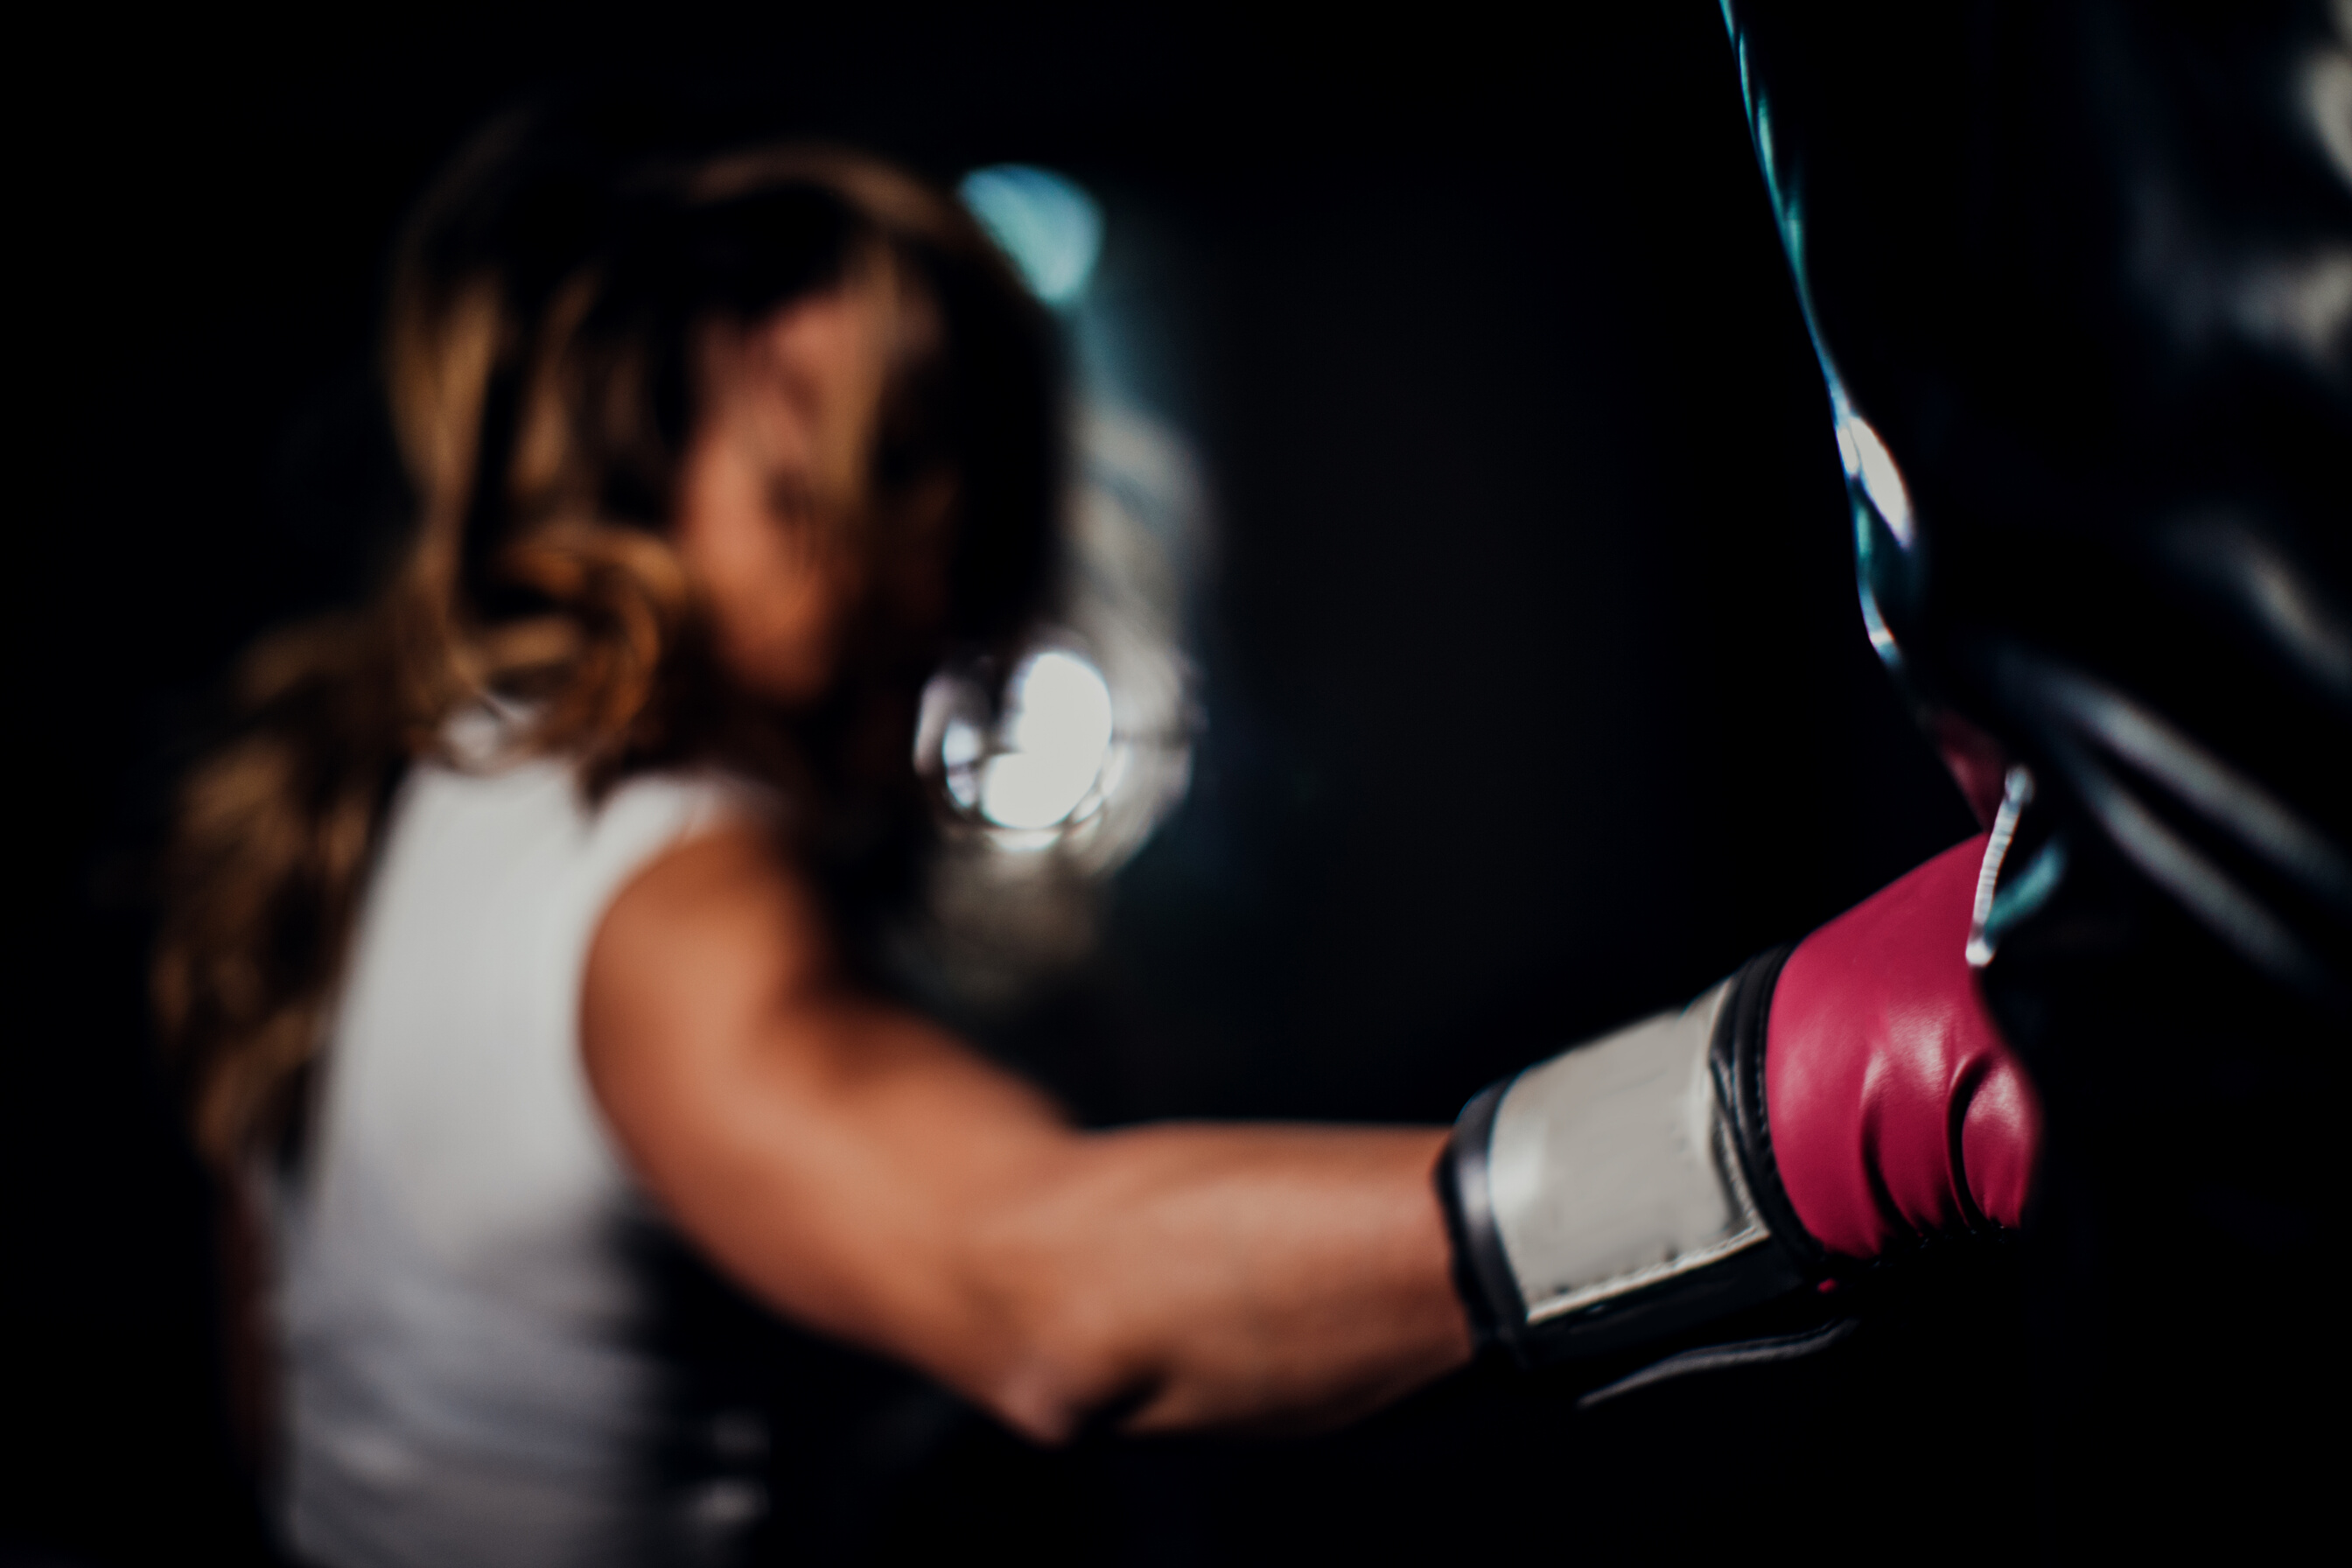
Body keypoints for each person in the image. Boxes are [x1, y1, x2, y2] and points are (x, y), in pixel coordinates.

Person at [154, 117, 1470, 1566]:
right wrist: (1701, 1149)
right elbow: (1051, 1293)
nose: (944, 539)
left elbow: (281, 1424)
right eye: (877, 455)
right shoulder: (673, 886)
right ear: (658, 456)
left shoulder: (409, 798)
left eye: (957, 455)